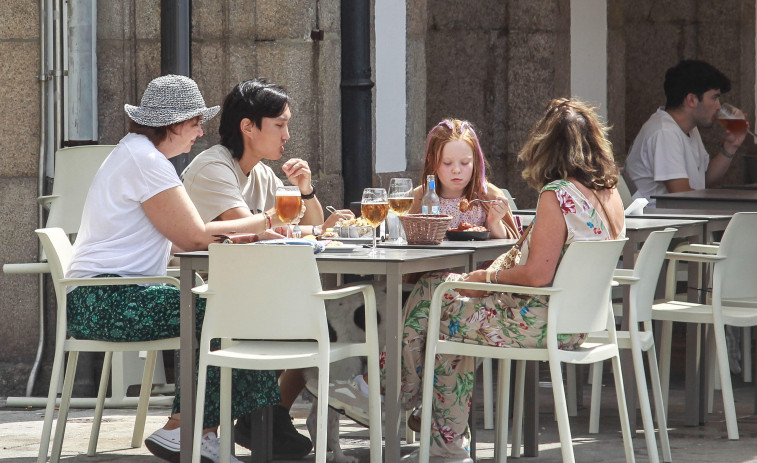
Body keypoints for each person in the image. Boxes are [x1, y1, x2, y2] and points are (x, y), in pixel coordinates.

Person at [313, 98, 626, 462]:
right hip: (577, 322)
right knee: (445, 321)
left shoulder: (557, 195)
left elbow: (538, 274)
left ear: (548, 146)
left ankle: (385, 394)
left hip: (540, 320)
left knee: (436, 296)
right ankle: (443, 445)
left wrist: (485, 277)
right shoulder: (609, 194)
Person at [65, 75, 289, 463]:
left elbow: (178, 238)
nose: (200, 133)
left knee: (219, 306)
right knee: (221, 311)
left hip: (103, 296)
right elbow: (194, 237)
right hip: (106, 300)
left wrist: (240, 235)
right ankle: (192, 430)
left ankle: (222, 426)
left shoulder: (138, 154)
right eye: (195, 123)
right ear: (173, 123)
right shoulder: (147, 161)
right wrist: (263, 221)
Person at [181, 78, 350, 459]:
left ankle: (271, 417)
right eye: (279, 124)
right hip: (207, 293)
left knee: (317, 320)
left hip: (249, 287)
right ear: (248, 126)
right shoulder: (213, 167)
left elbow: (305, 222)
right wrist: (306, 226)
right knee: (312, 317)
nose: (288, 135)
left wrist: (305, 190)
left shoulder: (257, 171)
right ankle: (264, 419)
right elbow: (255, 228)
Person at [625, 59, 748, 206]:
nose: (718, 107)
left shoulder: (689, 128)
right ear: (691, 100)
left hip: (684, 221)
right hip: (661, 225)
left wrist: (731, 147)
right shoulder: (664, 132)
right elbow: (682, 197)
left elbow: (705, 179)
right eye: (714, 98)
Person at [408, 118, 520, 239]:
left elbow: (508, 246)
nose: (456, 170)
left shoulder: (488, 196)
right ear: (432, 161)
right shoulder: (417, 198)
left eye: (465, 163)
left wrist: (494, 222)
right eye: (447, 163)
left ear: (475, 161)